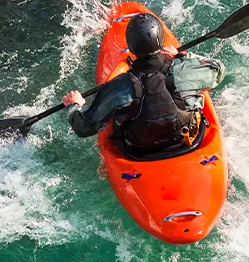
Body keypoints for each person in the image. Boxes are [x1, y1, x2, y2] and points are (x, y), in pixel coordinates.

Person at [60, 12, 223, 158]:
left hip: (141, 151)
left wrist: (74, 106)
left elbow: (84, 128)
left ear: (131, 47)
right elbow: (218, 70)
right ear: (161, 40)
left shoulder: (120, 86)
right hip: (186, 142)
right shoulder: (183, 70)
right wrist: (181, 57)